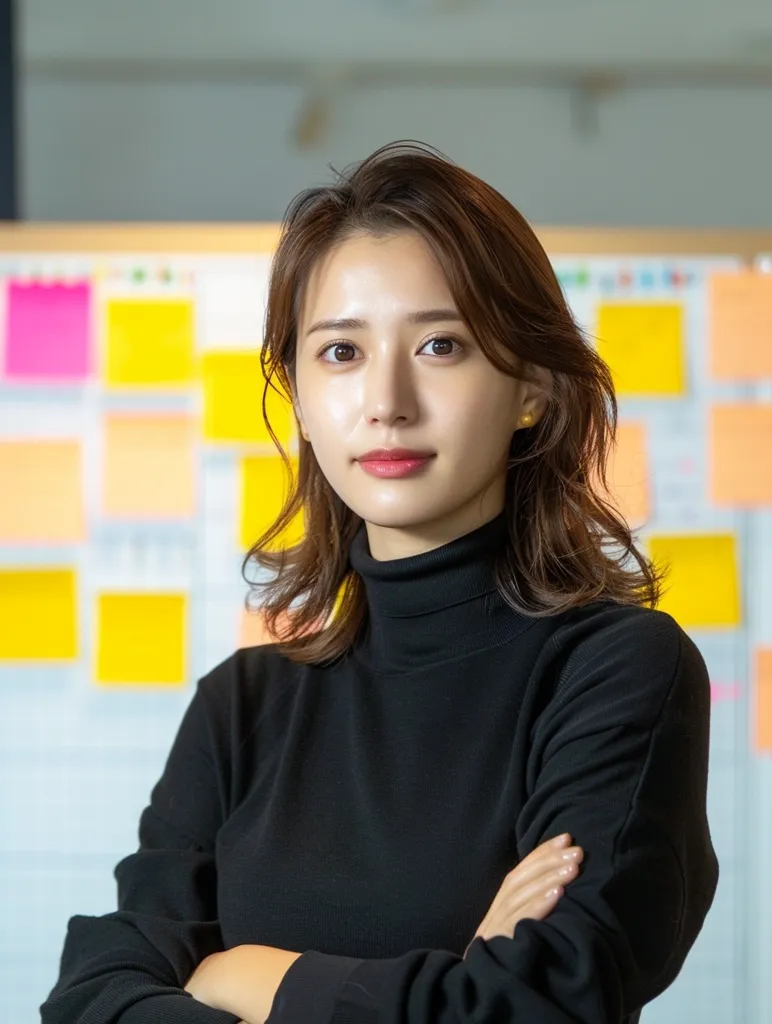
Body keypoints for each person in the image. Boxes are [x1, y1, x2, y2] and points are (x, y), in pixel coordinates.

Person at [40, 140, 719, 1024]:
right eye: (340, 352)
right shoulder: (241, 706)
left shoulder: (617, 672)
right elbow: (92, 997)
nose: (386, 399)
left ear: (535, 389)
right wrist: (453, 982)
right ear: (302, 401)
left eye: (442, 344)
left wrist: (245, 975)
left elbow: (543, 1007)